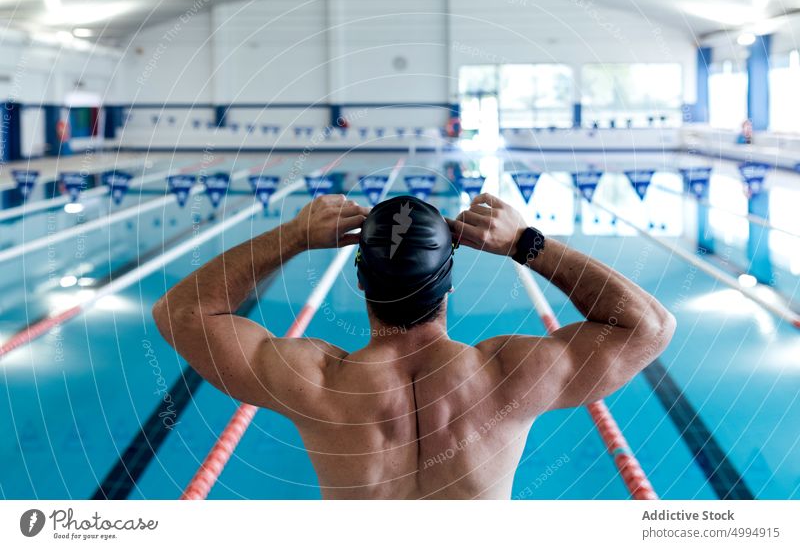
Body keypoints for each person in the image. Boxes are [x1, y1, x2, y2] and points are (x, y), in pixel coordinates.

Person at [153, 192, 676, 499]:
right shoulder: (508, 375)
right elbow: (648, 326)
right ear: (449, 282)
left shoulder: (315, 382)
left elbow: (181, 313)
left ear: (361, 282)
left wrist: (292, 236)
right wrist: (526, 244)